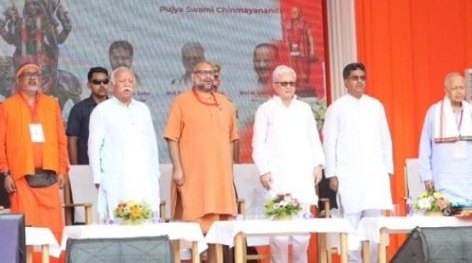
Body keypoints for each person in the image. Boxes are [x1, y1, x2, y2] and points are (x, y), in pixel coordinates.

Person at [0, 63, 69, 263]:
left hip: (50, 176)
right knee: (28, 227)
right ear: (18, 81)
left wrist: (62, 169)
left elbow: (62, 140)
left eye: (36, 74)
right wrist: (5, 172)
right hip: (21, 178)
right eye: (27, 75)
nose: (33, 78)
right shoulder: (6, 106)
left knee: (53, 227)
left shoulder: (52, 104)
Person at [253, 65, 325, 263]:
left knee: (302, 233)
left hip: (302, 176)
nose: (288, 87)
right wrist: (264, 170)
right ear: (275, 85)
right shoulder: (265, 109)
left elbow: (314, 139)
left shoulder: (304, 109)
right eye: (283, 83)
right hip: (277, 177)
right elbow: (257, 142)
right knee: (280, 234)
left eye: (291, 84)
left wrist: (318, 164)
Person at [322, 62, 393, 263]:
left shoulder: (375, 105)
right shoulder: (336, 108)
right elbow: (329, 143)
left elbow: (385, 139)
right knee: (351, 229)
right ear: (346, 81)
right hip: (349, 176)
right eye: (355, 78)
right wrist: (332, 174)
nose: (359, 81)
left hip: (374, 176)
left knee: (374, 227)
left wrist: (387, 169)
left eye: (362, 77)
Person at [164, 61, 239, 233]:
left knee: (218, 231)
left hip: (220, 178)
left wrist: (229, 173)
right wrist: (177, 169)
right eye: (202, 72)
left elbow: (231, 140)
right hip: (193, 176)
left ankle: (215, 260)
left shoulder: (225, 103)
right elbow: (172, 137)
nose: (207, 76)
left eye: (210, 73)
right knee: (194, 228)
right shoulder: (181, 101)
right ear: (193, 76)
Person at [88, 67, 161, 222]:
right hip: (117, 178)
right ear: (112, 85)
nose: (127, 84)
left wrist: (155, 172)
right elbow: (94, 146)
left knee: (145, 221)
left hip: (143, 177)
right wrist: (97, 177)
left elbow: (152, 144)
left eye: (130, 81)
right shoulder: (102, 110)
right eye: (122, 81)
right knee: (119, 223)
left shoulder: (143, 109)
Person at [417, 72, 472, 204]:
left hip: (469, 178)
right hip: (444, 177)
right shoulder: (434, 111)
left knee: (470, 218)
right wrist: (426, 175)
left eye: (461, 88)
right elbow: (424, 146)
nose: (459, 92)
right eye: (454, 88)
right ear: (446, 90)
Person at [66, 67, 110, 165]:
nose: (102, 85)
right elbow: (72, 140)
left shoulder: (117, 109)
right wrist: (75, 169)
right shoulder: (79, 109)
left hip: (113, 168)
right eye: (97, 82)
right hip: (87, 167)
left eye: (105, 81)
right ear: (89, 85)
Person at [284, 7, 317, 97]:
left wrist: (312, 50)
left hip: (303, 50)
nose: (294, 13)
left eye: (296, 12)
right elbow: (287, 35)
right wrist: (287, 41)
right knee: (294, 67)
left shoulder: (305, 24)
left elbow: (310, 36)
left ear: (300, 12)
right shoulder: (289, 23)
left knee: (304, 67)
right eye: (293, 12)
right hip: (293, 50)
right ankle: (296, 84)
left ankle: (304, 85)